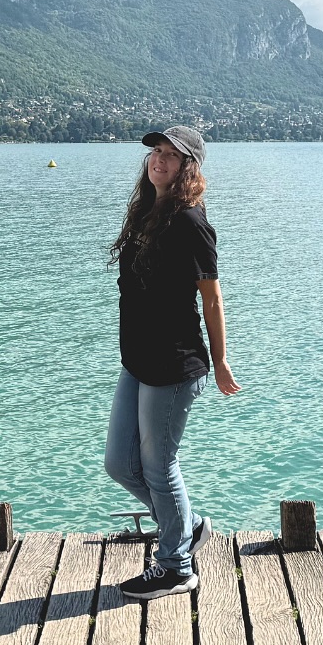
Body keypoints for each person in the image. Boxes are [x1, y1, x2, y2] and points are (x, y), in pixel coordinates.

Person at [104, 125, 241, 601]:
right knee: (120, 464)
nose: (158, 160)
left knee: (159, 467)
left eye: (170, 155)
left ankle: (176, 566)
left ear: (189, 167)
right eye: (155, 152)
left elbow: (213, 299)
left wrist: (221, 361)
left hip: (175, 364)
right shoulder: (147, 211)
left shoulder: (189, 221)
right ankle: (190, 525)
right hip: (138, 360)